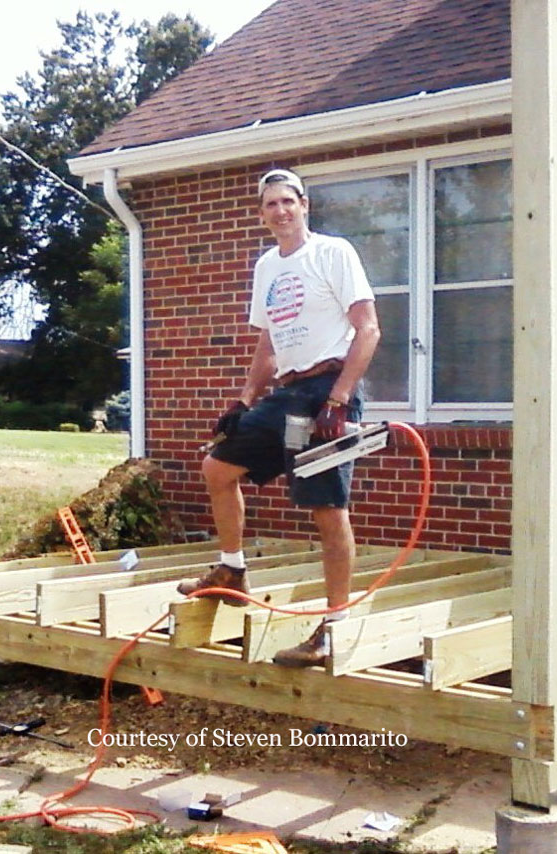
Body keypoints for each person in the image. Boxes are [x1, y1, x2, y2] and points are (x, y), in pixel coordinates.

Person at [177, 167, 380, 667]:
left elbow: (368, 329)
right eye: (271, 204)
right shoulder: (267, 266)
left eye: (288, 201)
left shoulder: (333, 253)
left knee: (326, 508)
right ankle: (231, 571)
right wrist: (244, 402)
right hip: (287, 394)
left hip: (326, 391)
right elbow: (268, 343)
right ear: (262, 213)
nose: (281, 211)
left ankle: (332, 630)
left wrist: (338, 401)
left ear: (305, 205)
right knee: (218, 467)